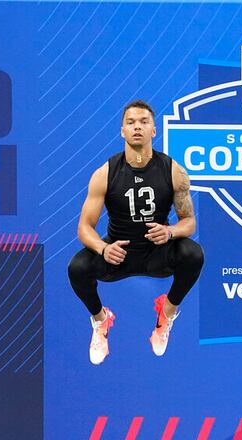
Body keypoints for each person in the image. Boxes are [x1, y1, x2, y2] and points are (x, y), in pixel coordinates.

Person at [67, 100, 204, 365]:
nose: (137, 127)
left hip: (158, 254)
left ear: (154, 130)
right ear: (122, 131)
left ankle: (167, 315)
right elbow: (84, 227)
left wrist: (170, 232)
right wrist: (103, 248)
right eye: (131, 123)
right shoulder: (104, 174)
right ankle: (100, 321)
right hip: (118, 256)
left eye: (143, 122)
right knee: (77, 267)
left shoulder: (174, 171)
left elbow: (189, 223)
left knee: (193, 253)